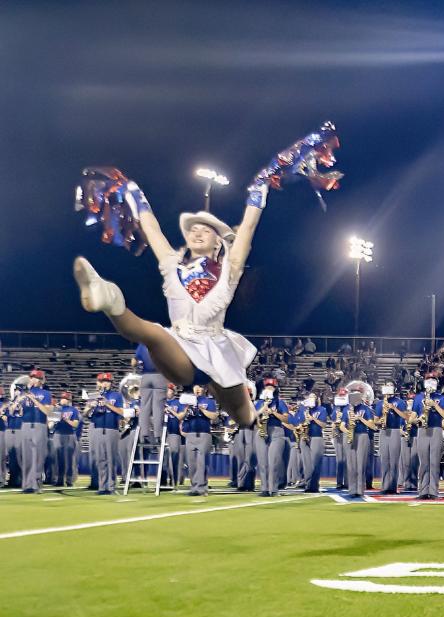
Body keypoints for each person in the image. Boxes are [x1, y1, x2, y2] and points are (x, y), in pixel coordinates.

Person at [71, 146, 289, 448]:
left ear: (217, 241)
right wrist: (133, 193)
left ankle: (251, 438)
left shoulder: (229, 268)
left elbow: (248, 227)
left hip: (216, 348)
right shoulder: (172, 266)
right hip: (180, 345)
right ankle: (109, 298)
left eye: (206, 230)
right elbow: (152, 230)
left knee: (243, 414)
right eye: (193, 230)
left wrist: (261, 188)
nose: (198, 233)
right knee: (153, 335)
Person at [86, 373, 125, 494]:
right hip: (97, 428)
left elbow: (121, 412)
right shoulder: (94, 396)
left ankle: (111, 486)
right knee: (100, 459)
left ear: (111, 383)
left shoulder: (116, 396)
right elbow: (85, 415)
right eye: (103, 381)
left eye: (107, 381)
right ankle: (102, 486)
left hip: (111, 428)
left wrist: (107, 403)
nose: (105, 383)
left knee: (111, 459)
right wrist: (90, 407)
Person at [411, 377, 444, 499]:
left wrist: (434, 405)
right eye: (428, 380)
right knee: (423, 462)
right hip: (422, 429)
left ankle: (433, 491)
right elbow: (412, 417)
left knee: (434, 462)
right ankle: (422, 491)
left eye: (433, 380)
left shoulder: (442, 398)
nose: (431, 383)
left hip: (436, 429)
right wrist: (418, 419)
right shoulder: (418, 397)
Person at [133, 343, 168, 457]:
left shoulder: (142, 345)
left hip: (146, 376)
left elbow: (133, 362)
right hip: (159, 375)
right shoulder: (161, 344)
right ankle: (158, 435)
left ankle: (144, 435)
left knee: (144, 407)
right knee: (158, 407)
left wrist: (138, 367)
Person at [376, 386, 407, 495]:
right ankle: (384, 486)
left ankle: (393, 487)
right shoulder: (380, 403)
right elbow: (375, 421)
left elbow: (405, 416)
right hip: (384, 431)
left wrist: (394, 408)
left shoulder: (400, 402)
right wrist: (382, 417)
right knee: (384, 460)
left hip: (394, 431)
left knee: (394, 461)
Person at [51, 393, 81, 487]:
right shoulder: (57, 409)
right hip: (58, 434)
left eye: (64, 398)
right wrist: (55, 420)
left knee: (69, 459)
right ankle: (59, 479)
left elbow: (75, 424)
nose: (62, 400)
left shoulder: (73, 410)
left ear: (69, 400)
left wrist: (66, 419)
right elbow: (50, 425)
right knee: (58, 458)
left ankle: (69, 480)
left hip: (70, 435)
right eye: (62, 398)